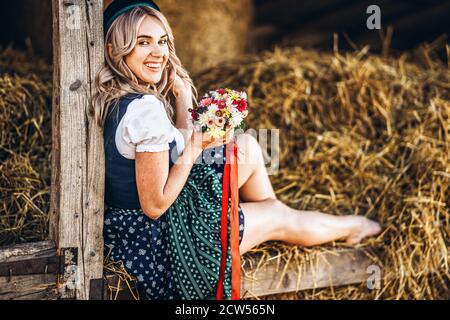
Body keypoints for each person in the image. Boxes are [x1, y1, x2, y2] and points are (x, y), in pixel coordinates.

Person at [92, 0, 382, 300]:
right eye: (143, 42)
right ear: (115, 50)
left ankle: (264, 224)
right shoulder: (145, 109)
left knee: (247, 147)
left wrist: (181, 95)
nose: (158, 53)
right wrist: (197, 145)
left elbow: (172, 149)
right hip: (160, 246)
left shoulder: (118, 98)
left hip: (132, 231)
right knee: (278, 214)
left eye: (162, 41)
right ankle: (346, 226)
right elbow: (155, 205)